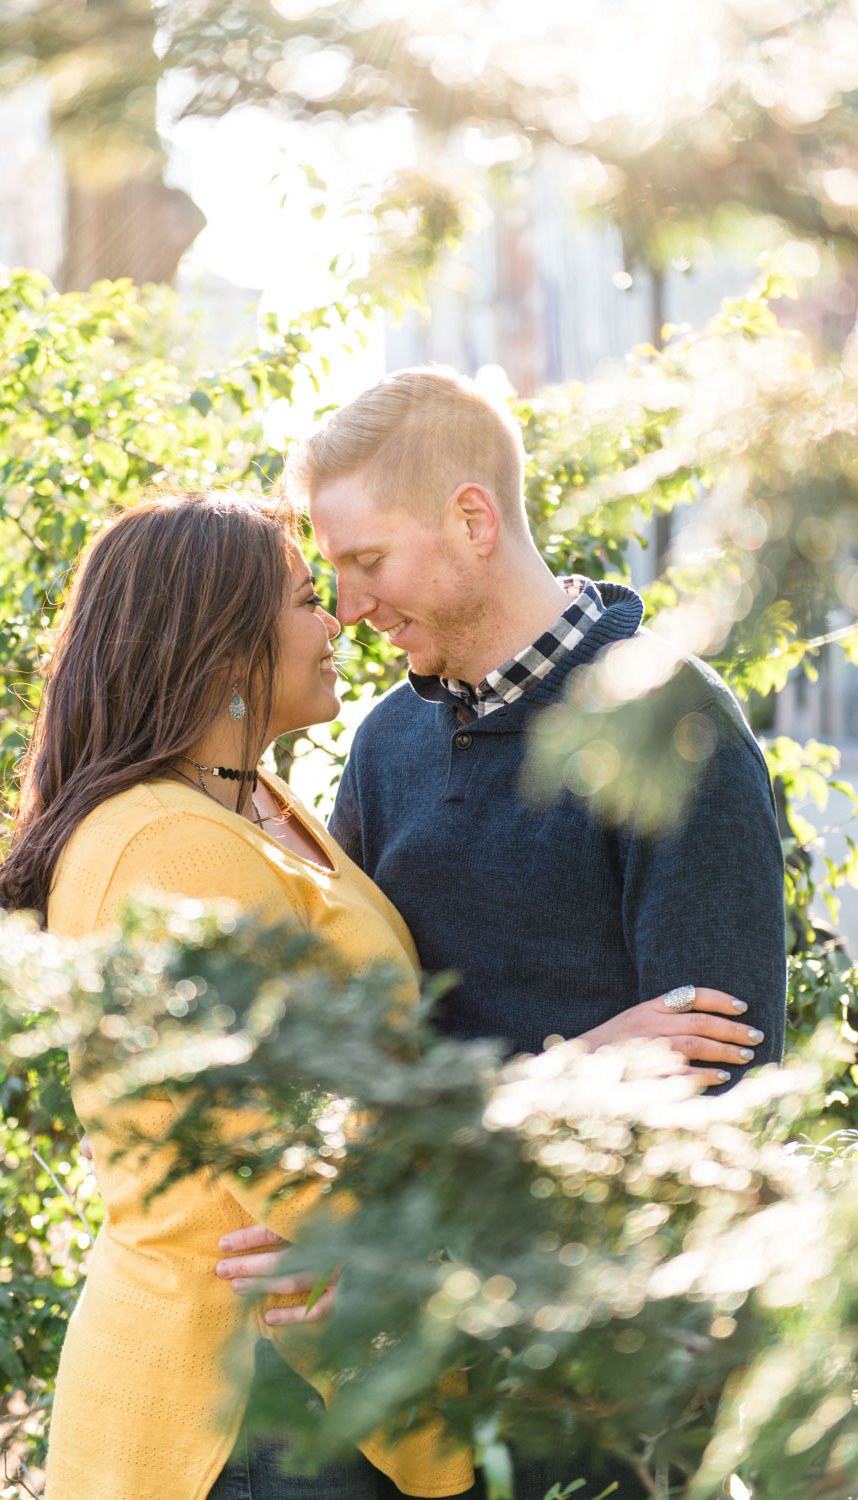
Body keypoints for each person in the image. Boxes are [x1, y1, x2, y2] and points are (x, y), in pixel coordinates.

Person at [218, 367, 787, 1500]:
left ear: (471, 520)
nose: (348, 605)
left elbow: (708, 1112)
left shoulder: (675, 732)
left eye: (367, 562)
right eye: (333, 574)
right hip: (389, 1351)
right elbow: (357, 1046)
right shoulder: (388, 745)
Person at [0, 490, 479, 1500]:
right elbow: (284, 1154)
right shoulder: (167, 844)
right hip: (254, 1411)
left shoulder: (253, 803)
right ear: (220, 649)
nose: (337, 619)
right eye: (303, 600)